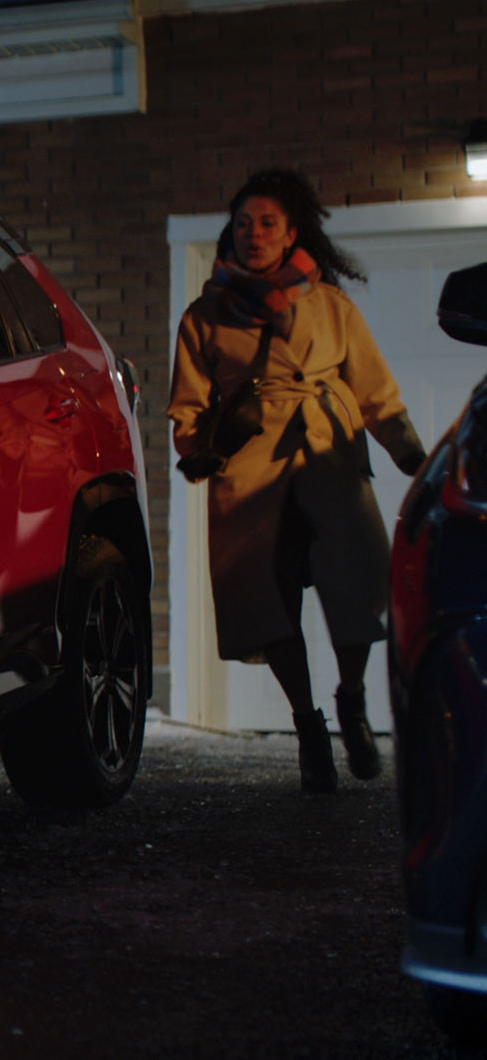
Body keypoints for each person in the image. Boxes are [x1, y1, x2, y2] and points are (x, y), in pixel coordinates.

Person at [168, 168, 427, 793]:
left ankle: (351, 700)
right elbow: (187, 408)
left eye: (268, 223)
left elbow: (377, 392)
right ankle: (308, 725)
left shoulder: (331, 306)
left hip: (326, 454)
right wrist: (200, 448)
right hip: (249, 468)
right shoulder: (205, 314)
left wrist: (412, 455)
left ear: (291, 235)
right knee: (268, 597)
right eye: (243, 223)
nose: (253, 234)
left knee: (357, 581)